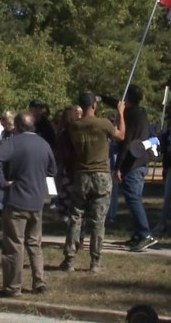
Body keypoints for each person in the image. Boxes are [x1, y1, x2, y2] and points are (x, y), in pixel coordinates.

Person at [0, 111, 57, 297]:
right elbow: (52, 169)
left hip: (16, 200)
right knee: (35, 244)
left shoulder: (13, 142)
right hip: (36, 201)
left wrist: (1, 182)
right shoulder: (44, 144)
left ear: (17, 126)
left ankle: (13, 286)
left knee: (14, 245)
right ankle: (39, 282)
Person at [59, 93, 125, 272]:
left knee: (75, 217)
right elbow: (120, 136)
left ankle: (69, 259)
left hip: (81, 175)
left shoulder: (74, 127)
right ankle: (95, 261)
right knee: (98, 220)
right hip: (101, 175)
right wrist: (121, 113)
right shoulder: (103, 123)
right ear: (94, 106)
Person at [114, 85, 156, 252]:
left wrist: (118, 167)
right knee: (134, 198)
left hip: (132, 162)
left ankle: (145, 234)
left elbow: (126, 140)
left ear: (128, 98)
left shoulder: (130, 115)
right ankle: (138, 234)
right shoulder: (142, 113)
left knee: (133, 199)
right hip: (142, 161)